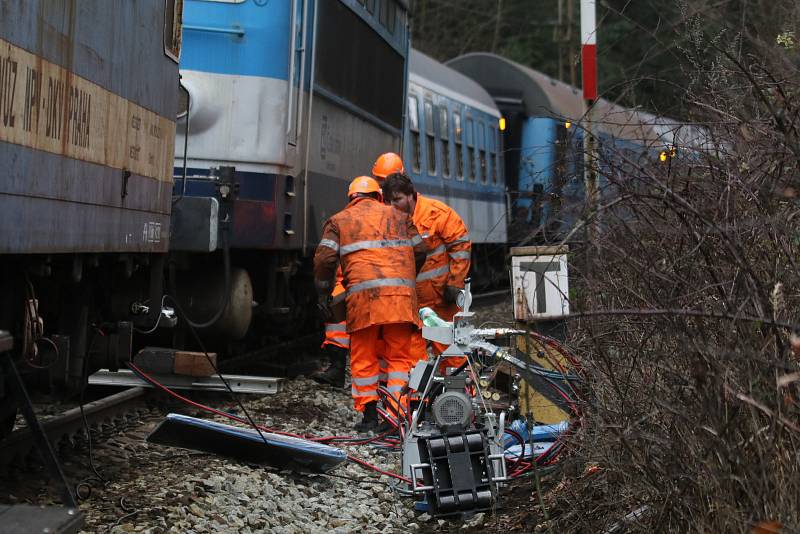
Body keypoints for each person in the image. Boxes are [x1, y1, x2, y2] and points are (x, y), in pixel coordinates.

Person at [313, 176, 426, 432]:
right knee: (398, 358)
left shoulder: (339, 220)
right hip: (400, 301)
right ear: (380, 196)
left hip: (364, 301)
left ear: (351, 198)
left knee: (364, 358)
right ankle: (395, 417)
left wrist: (323, 293)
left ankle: (370, 417)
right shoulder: (400, 216)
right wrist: (406, 279)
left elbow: (324, 260)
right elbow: (420, 250)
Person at [381, 172, 472, 367]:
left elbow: (460, 246)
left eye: (397, 199)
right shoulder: (388, 220)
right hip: (410, 303)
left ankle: (460, 395)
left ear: (411, 195)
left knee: (452, 354)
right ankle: (416, 397)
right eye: (388, 201)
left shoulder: (436, 213)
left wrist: (455, 283)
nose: (392, 206)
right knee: (412, 359)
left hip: (439, 299)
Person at [311, 268, 348, 388]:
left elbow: (326, 260)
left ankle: (338, 368)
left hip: (352, 280)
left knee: (333, 305)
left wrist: (323, 293)